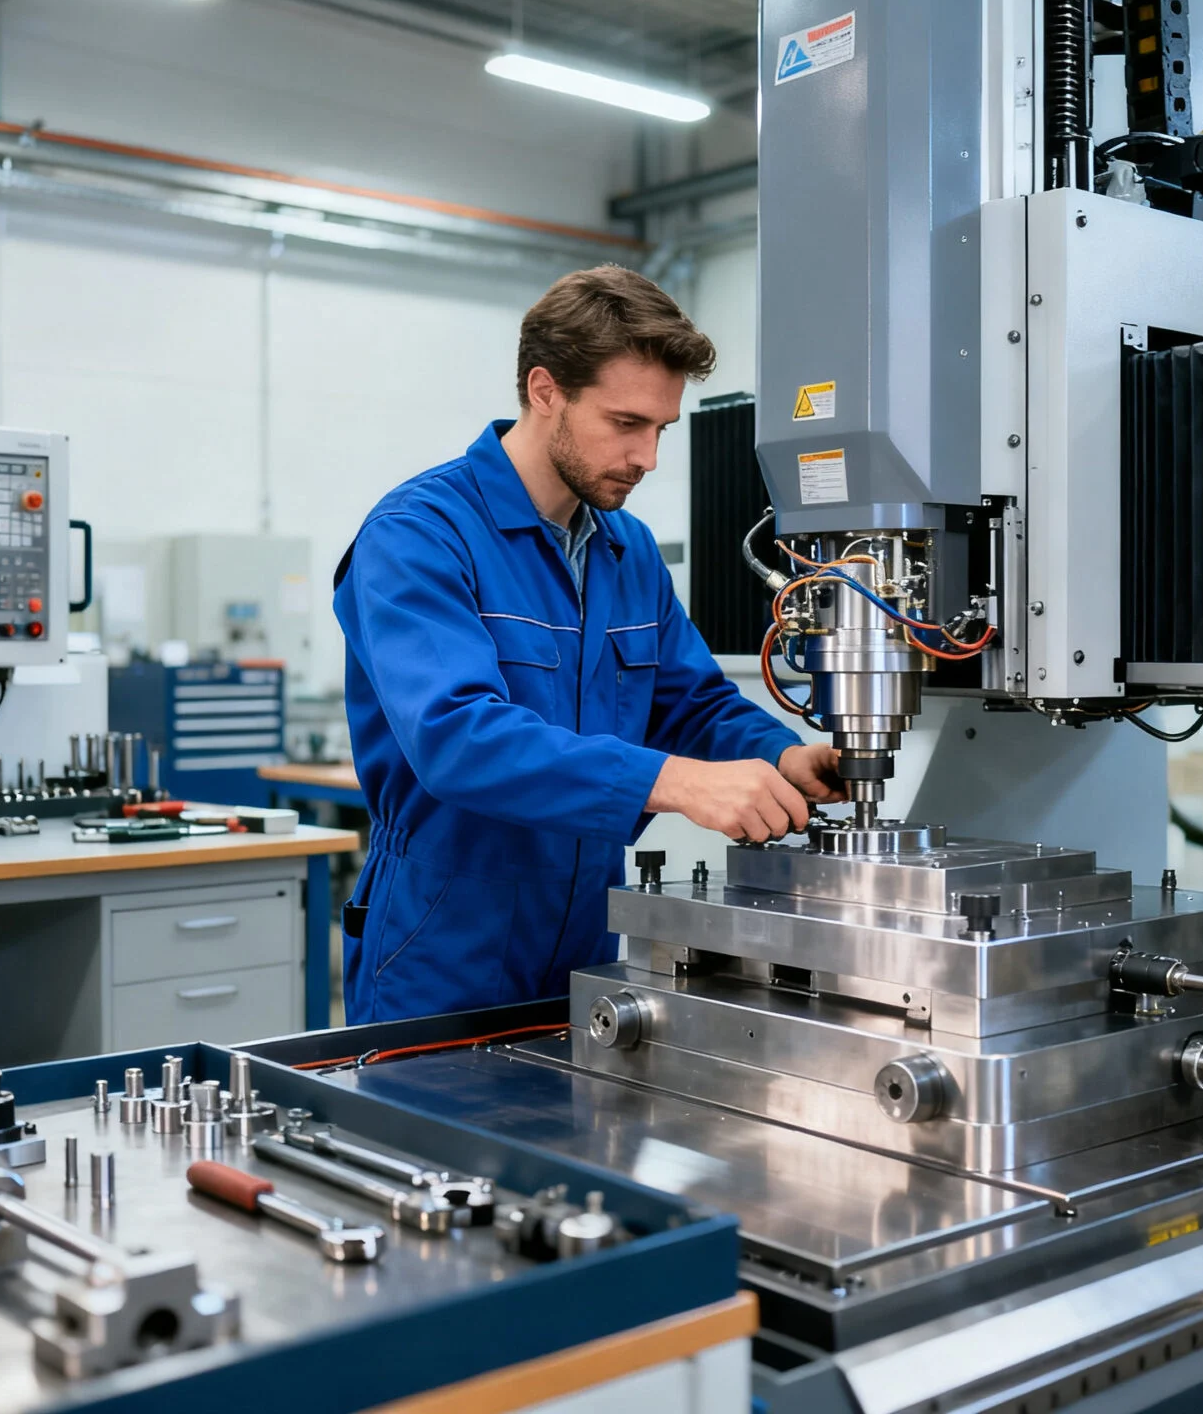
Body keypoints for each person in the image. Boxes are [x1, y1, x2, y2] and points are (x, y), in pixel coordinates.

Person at [334, 265, 843, 1024]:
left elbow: (690, 702)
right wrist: (674, 782)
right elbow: (456, 737)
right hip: (442, 945)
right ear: (546, 391)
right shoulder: (419, 536)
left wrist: (781, 755)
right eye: (626, 423)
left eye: (661, 429)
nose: (649, 457)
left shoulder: (626, 548)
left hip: (585, 944)